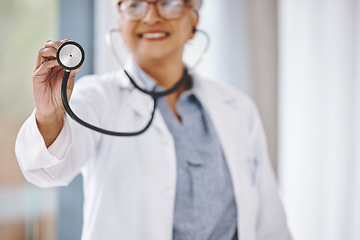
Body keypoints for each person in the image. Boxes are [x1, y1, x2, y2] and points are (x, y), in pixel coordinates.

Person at [15, 0, 292, 239]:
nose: (151, 16)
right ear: (120, 23)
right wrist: (50, 115)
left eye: (169, 3)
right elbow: (45, 170)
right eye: (135, 5)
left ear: (193, 19)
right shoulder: (96, 98)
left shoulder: (237, 109)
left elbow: (271, 224)